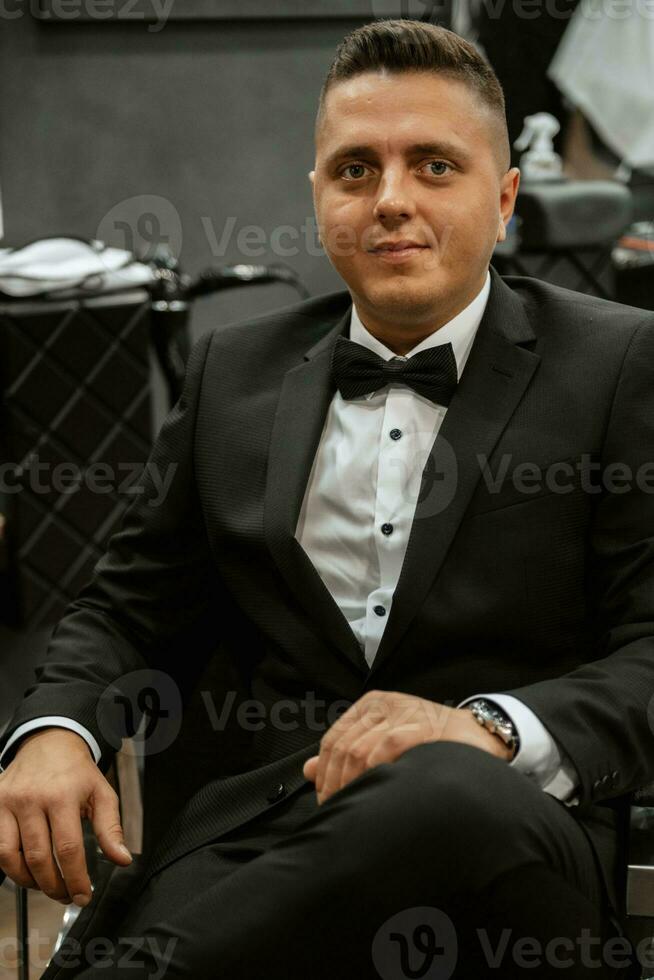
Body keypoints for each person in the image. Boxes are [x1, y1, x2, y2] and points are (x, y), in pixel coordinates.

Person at [0, 18, 652, 980]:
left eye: (435, 166)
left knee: (444, 789)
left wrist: (486, 727)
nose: (391, 200)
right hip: (260, 833)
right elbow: (128, 609)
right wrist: (56, 731)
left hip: (507, 846)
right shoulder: (234, 372)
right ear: (316, 199)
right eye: (355, 170)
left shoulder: (623, 363)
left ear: (504, 198)